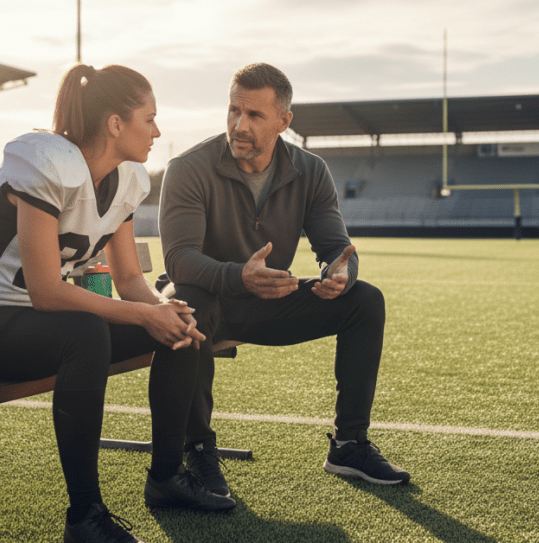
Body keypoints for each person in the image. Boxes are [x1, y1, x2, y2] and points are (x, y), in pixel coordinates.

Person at [0, 64, 234, 543]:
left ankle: (166, 477)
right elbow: (44, 292)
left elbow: (127, 280)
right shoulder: (46, 160)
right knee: (86, 333)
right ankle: (85, 516)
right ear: (116, 124)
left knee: (181, 329)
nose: (158, 131)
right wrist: (141, 316)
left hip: (38, 328)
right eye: (150, 119)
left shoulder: (124, 180)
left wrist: (161, 310)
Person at [154, 62, 410, 497]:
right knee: (188, 304)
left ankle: (349, 445)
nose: (239, 124)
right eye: (234, 110)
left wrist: (340, 274)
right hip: (209, 300)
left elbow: (336, 247)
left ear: (284, 122)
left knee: (365, 301)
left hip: (270, 300)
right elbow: (179, 261)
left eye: (254, 115)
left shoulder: (310, 171)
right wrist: (240, 276)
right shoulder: (189, 168)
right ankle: (197, 448)